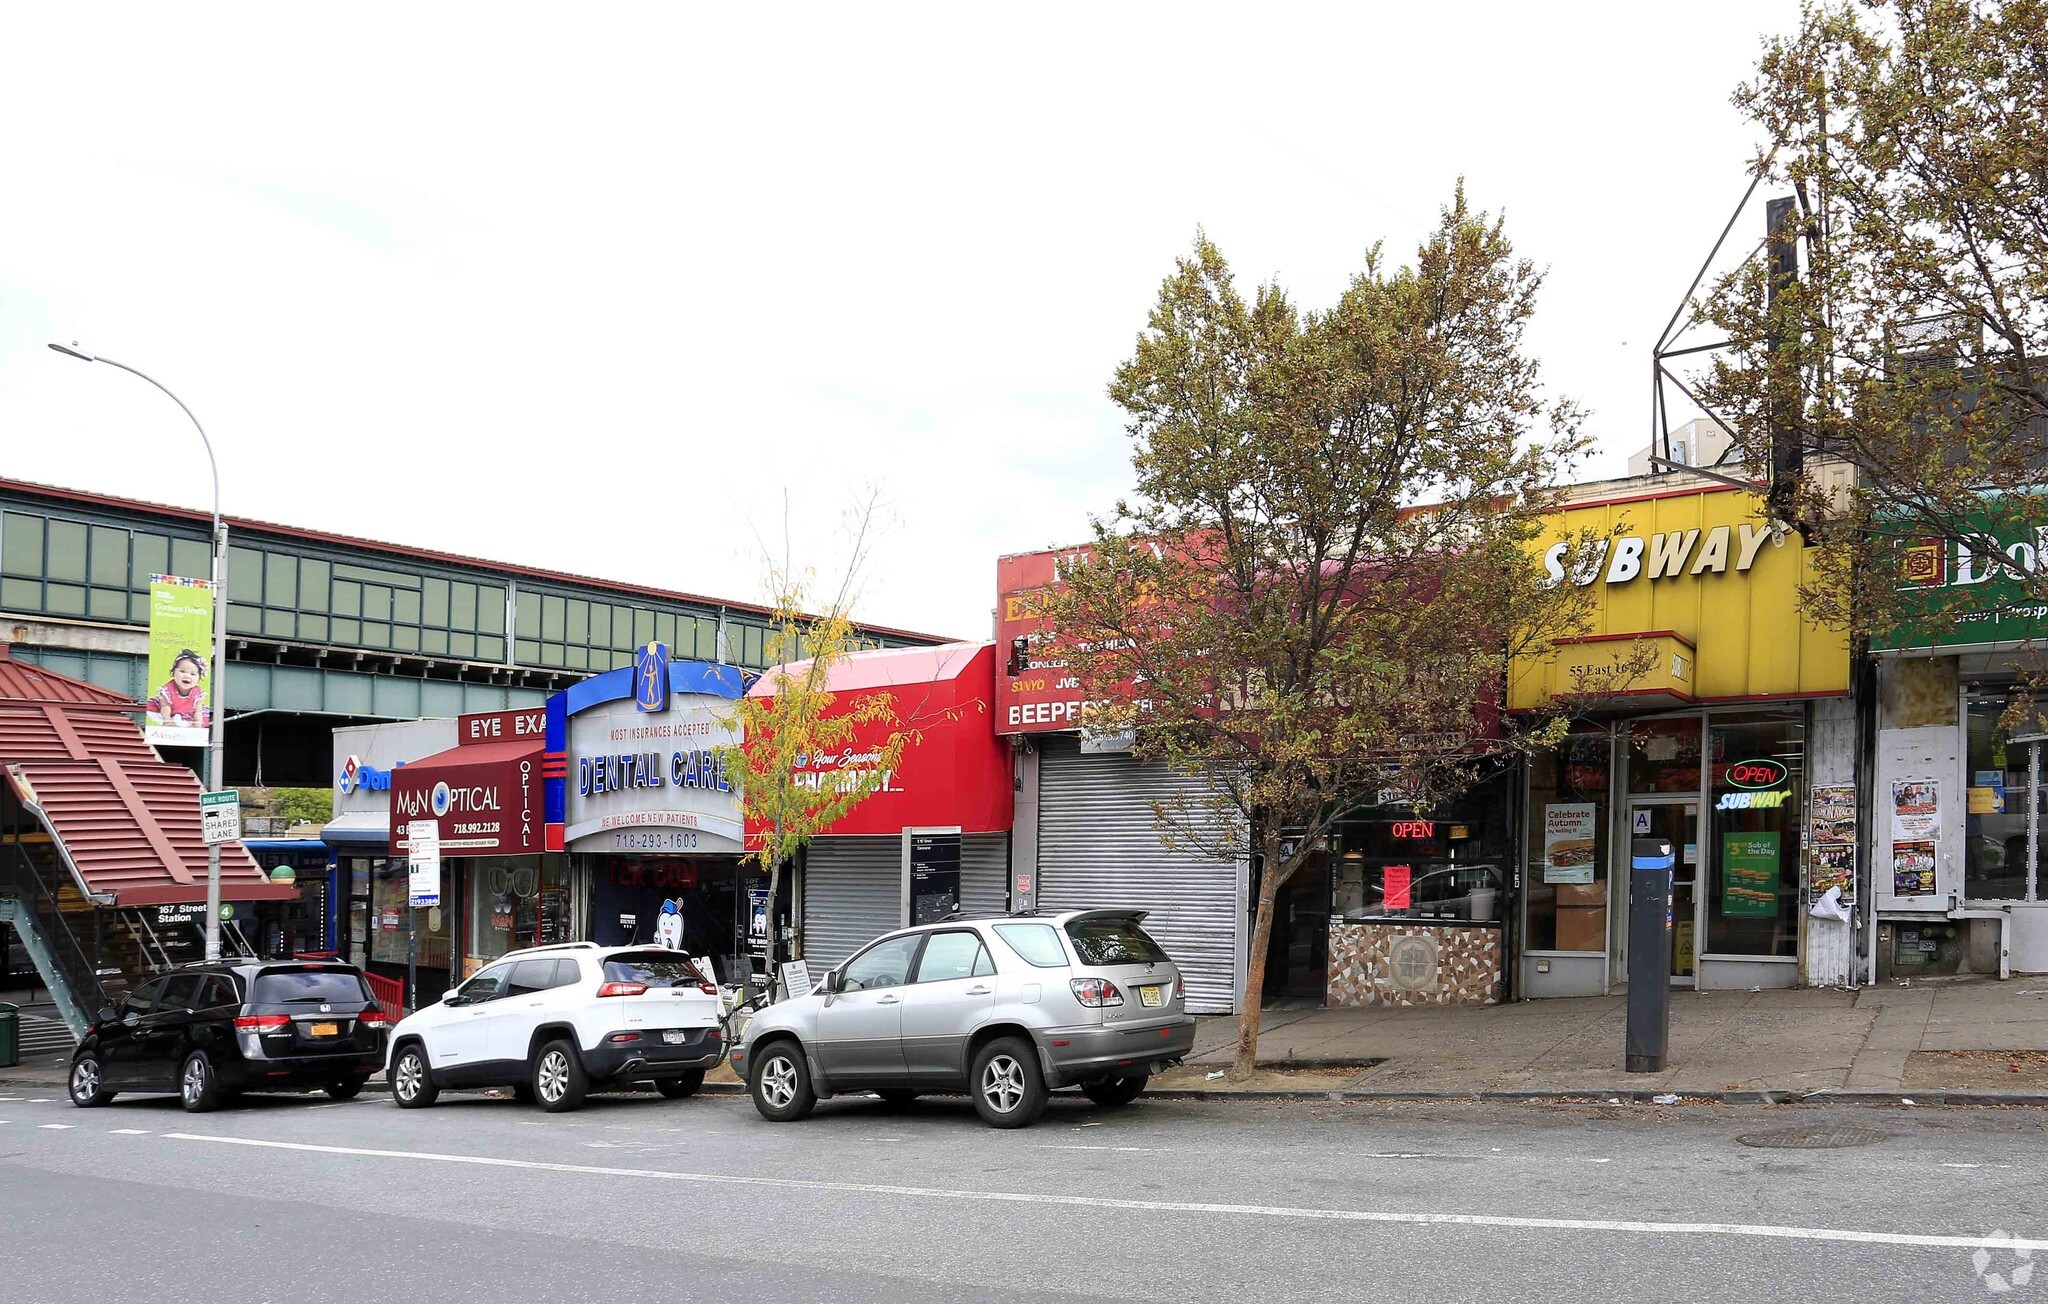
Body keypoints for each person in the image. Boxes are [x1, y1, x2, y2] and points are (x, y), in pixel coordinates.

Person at [148, 649, 211, 728]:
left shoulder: (197, 693)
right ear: (173, 672)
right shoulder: (167, 690)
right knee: (157, 715)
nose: (187, 676)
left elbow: (197, 711)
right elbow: (165, 707)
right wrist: (168, 721)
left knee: (199, 719)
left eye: (193, 674)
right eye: (182, 671)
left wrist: (197, 724)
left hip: (187, 713)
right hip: (168, 711)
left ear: (199, 678)